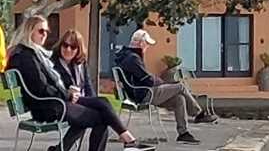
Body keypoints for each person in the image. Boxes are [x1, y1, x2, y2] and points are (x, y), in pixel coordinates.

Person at [7, 16, 152, 151]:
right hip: (47, 107)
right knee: (101, 118)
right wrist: (67, 94)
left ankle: (128, 139)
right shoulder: (26, 56)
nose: (44, 34)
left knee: (101, 107)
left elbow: (46, 86)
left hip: (52, 103)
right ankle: (128, 140)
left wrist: (67, 94)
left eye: (46, 31)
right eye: (40, 31)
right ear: (29, 31)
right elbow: (41, 88)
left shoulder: (36, 54)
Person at [115, 29, 217, 144]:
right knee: (180, 86)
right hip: (145, 94)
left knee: (179, 99)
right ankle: (198, 114)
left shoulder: (127, 56)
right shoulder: (133, 58)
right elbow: (147, 80)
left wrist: (159, 82)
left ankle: (183, 133)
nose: (147, 47)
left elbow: (145, 78)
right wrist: (161, 83)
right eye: (147, 44)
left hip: (140, 93)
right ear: (141, 43)